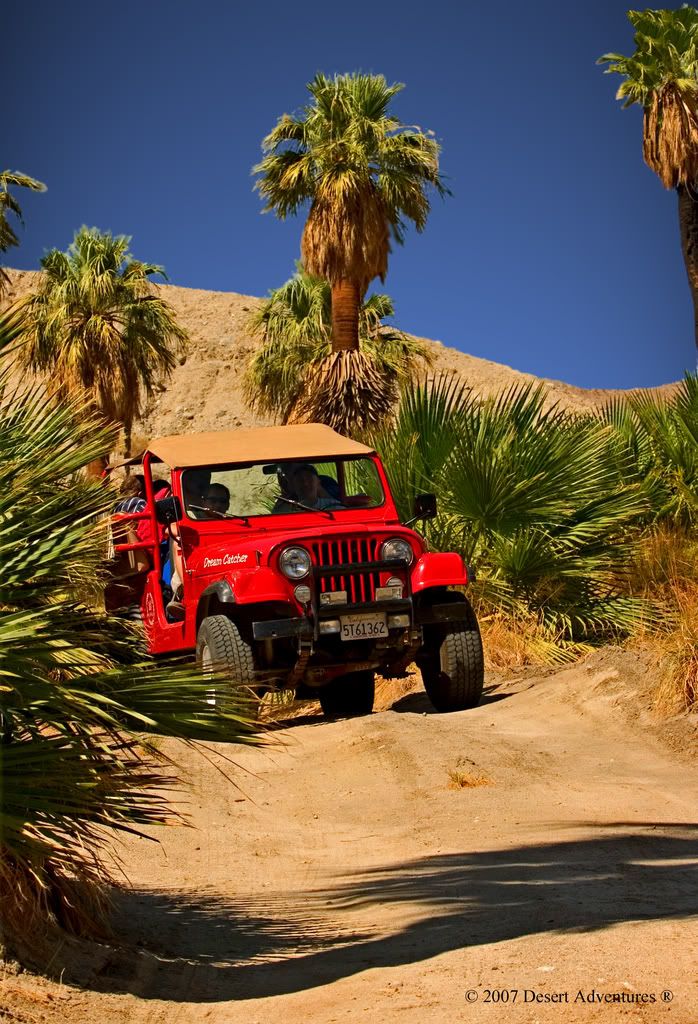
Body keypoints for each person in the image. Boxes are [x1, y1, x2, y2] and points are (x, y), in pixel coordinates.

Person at [275, 463, 344, 511]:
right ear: (293, 485)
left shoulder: (333, 506)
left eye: (309, 479)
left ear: (318, 482)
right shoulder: (285, 509)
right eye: (300, 480)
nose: (305, 484)